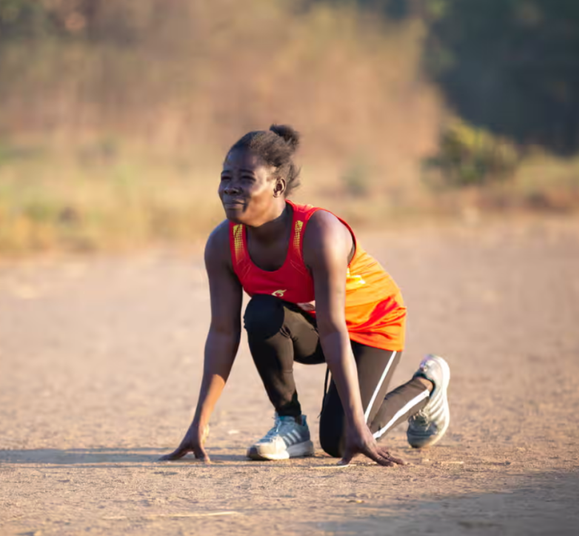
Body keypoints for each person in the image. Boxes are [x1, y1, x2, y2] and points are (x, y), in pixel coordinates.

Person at [161, 125, 450, 466]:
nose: (230, 188)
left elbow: (333, 328)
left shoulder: (319, 233)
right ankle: (290, 425)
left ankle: (427, 387)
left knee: (342, 438)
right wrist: (200, 422)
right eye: (225, 178)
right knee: (261, 313)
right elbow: (223, 332)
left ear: (278, 186)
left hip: (371, 326)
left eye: (245, 178)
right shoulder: (224, 243)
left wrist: (358, 425)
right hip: (315, 324)